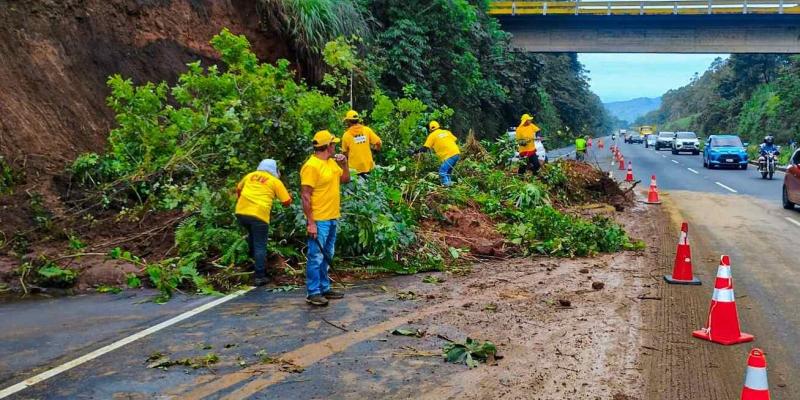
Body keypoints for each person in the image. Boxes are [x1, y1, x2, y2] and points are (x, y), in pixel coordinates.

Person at [300, 130, 351, 306]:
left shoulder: (330, 163)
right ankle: (313, 292)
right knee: (316, 256)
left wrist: (344, 164)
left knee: (327, 254)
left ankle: (324, 287)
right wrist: (311, 222)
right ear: (327, 146)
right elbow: (305, 195)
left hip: (332, 216)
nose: (335, 146)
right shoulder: (311, 166)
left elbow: (345, 179)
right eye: (333, 144)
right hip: (319, 219)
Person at [235, 159, 292, 287]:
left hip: (241, 212)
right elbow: (286, 201)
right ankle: (259, 276)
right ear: (274, 170)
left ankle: (252, 260)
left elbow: (238, 189)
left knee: (252, 236)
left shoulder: (250, 176)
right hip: (259, 215)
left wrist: (241, 201)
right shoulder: (275, 181)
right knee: (260, 245)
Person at [410, 121, 461, 186]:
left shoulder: (432, 135)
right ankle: (450, 184)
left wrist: (415, 152)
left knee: (442, 171)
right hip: (456, 153)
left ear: (430, 129)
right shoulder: (446, 132)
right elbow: (455, 140)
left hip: (449, 155)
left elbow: (425, 148)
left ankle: (446, 186)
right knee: (448, 172)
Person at [341, 110, 382, 178]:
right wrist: (376, 150)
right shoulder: (367, 130)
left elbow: (345, 153)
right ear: (358, 120)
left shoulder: (346, 135)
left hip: (354, 170)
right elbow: (379, 142)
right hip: (368, 166)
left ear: (348, 121)